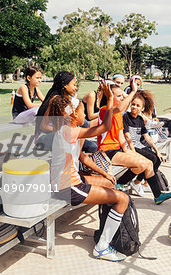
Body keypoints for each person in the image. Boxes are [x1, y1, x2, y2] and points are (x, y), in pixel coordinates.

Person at [49, 81, 129, 262]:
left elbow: (82, 158)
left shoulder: (69, 131)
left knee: (110, 183)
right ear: (71, 115)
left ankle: (104, 230)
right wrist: (109, 100)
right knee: (122, 199)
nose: (84, 114)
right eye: (82, 111)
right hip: (67, 187)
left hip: (69, 181)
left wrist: (104, 172)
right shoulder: (69, 131)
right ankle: (102, 248)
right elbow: (104, 127)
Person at [97, 84, 166, 201]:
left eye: (122, 96)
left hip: (118, 150)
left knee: (148, 163)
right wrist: (133, 91)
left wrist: (129, 152)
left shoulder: (118, 114)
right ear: (110, 96)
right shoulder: (105, 110)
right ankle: (118, 184)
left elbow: (121, 137)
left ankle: (158, 196)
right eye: (118, 96)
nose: (122, 98)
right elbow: (119, 108)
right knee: (142, 164)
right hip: (107, 151)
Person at [123, 90, 171, 204]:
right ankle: (156, 194)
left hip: (139, 145)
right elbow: (127, 137)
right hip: (129, 146)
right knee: (150, 161)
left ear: (142, 109)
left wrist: (157, 151)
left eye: (138, 106)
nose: (135, 107)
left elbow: (146, 136)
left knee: (157, 159)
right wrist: (133, 153)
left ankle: (138, 182)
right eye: (133, 104)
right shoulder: (126, 117)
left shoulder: (140, 120)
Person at [35, 71, 97, 153]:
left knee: (82, 124)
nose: (76, 88)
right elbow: (43, 127)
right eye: (74, 85)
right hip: (45, 138)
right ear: (65, 85)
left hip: (57, 134)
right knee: (92, 146)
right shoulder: (56, 100)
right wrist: (63, 131)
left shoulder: (63, 100)